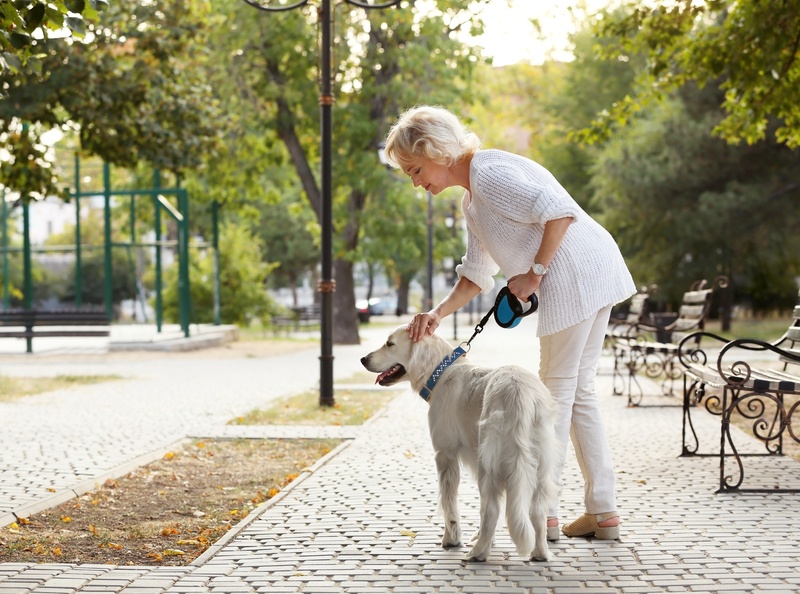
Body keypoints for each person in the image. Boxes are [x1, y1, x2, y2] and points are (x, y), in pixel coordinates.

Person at [383, 105, 636, 541]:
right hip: (593, 269)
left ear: (436, 150)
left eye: (415, 168)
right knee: (578, 391)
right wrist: (436, 314)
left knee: (552, 394)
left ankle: (544, 514)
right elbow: (476, 275)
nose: (415, 180)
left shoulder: (489, 174)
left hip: (573, 276)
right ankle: (602, 511)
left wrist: (536, 271)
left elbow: (559, 212)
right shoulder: (473, 199)